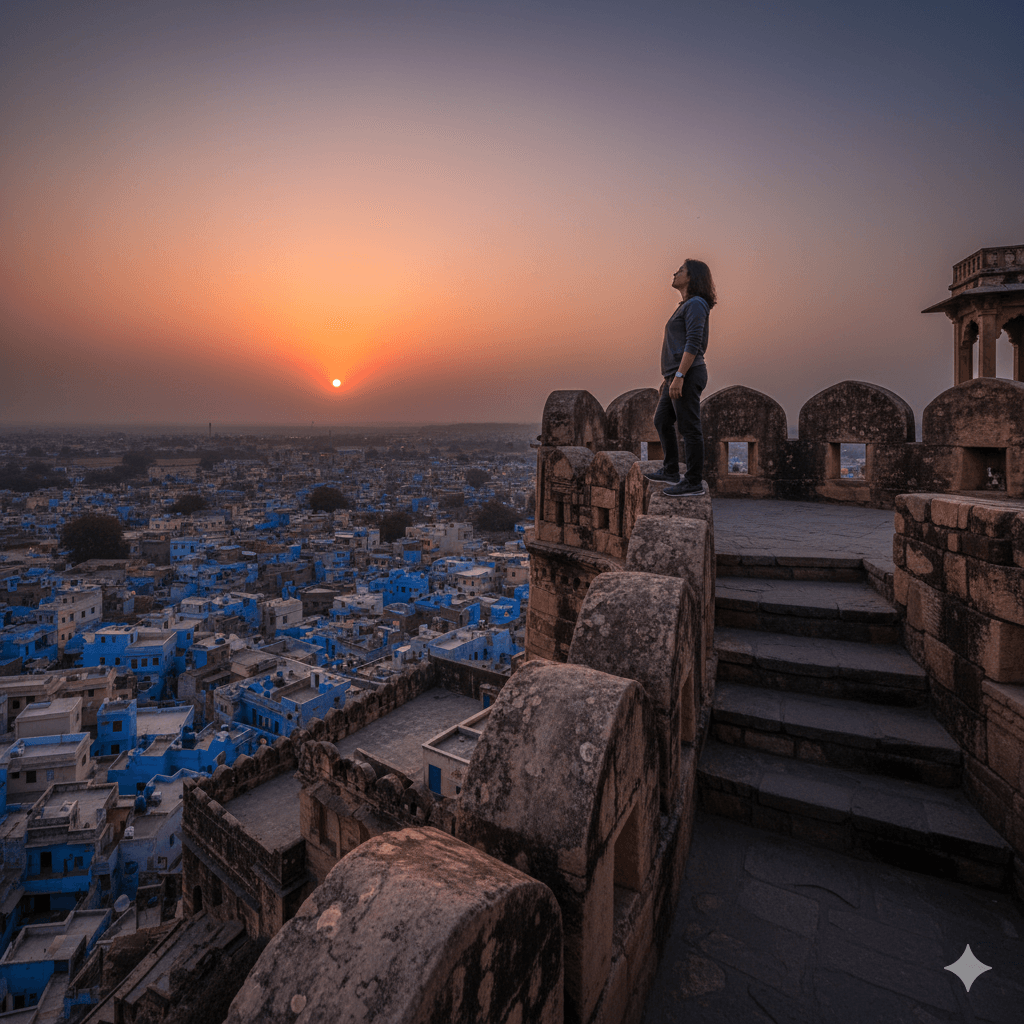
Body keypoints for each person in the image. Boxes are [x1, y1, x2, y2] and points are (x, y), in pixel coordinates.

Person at [644, 259, 716, 496]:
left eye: (681, 270)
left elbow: (693, 342)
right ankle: (671, 470)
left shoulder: (696, 304)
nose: (675, 273)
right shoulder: (685, 305)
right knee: (662, 420)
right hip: (674, 376)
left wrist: (679, 375)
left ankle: (693, 482)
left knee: (689, 427)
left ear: (692, 276)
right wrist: (670, 377)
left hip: (687, 373)